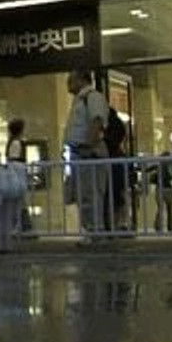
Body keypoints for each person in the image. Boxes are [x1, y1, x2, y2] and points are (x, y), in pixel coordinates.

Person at [63, 69, 111, 241]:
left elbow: (97, 121)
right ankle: (89, 229)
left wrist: (89, 146)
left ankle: (95, 230)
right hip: (79, 154)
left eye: (71, 80)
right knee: (83, 194)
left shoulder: (92, 97)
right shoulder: (79, 100)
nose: (68, 84)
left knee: (91, 193)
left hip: (88, 153)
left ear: (81, 80)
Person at [6, 118, 33, 235]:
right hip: (17, 175)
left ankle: (22, 226)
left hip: (16, 175)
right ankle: (22, 226)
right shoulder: (16, 143)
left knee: (19, 202)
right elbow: (14, 160)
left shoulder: (13, 142)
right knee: (19, 202)